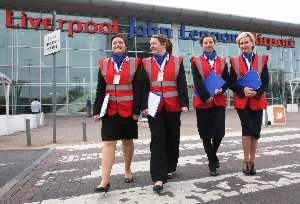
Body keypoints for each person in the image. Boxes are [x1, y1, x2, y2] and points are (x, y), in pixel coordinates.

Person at [93, 34, 145, 193]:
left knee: (127, 140)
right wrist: (97, 110)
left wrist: (137, 110)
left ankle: (128, 169)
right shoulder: (104, 64)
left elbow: (138, 88)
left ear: (125, 46)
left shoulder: (136, 63)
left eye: (120, 42)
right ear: (111, 46)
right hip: (109, 109)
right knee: (109, 142)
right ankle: (105, 180)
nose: (117, 45)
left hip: (128, 109)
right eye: (114, 43)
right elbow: (100, 88)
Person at [141, 34, 189, 192]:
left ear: (163, 44)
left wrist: (184, 103)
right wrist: (143, 106)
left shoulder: (177, 61)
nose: (151, 46)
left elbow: (182, 83)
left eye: (154, 43)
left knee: (172, 137)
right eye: (150, 44)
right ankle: (158, 177)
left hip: (173, 105)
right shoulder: (146, 62)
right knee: (157, 138)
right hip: (154, 106)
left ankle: (170, 166)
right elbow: (143, 85)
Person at [229, 32, 269, 175]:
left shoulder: (262, 60)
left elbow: (265, 81)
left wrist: (256, 92)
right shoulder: (234, 61)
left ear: (252, 43)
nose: (244, 45)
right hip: (242, 101)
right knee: (247, 128)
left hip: (257, 100)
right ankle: (246, 160)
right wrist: (243, 89)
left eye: (246, 42)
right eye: (241, 43)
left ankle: (253, 160)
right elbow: (231, 82)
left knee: (256, 131)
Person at [191, 34, 229, 176]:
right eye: (205, 43)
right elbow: (197, 80)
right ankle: (211, 162)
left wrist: (222, 89)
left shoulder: (223, 61)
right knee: (206, 132)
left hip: (219, 100)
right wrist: (206, 96)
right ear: (202, 45)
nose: (208, 44)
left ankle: (213, 154)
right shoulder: (196, 60)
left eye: (210, 42)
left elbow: (227, 79)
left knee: (219, 132)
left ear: (214, 43)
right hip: (202, 101)